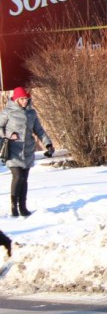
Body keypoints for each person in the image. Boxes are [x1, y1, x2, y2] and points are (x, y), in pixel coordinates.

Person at [1, 86, 54, 217]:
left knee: (24, 179)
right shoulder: (8, 111)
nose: (25, 101)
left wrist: (48, 144)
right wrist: (8, 135)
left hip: (28, 150)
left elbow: (39, 130)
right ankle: (13, 205)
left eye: (27, 99)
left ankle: (23, 206)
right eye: (23, 99)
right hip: (13, 149)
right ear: (17, 99)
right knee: (18, 176)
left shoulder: (32, 113)